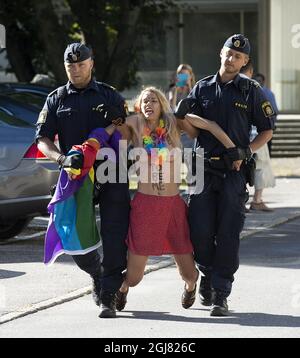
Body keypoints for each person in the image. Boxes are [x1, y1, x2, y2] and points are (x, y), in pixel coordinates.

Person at [111, 86, 238, 312]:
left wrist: (232, 149)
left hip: (173, 207)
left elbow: (205, 128)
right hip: (145, 207)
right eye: (145, 101)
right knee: (133, 277)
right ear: (139, 106)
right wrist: (115, 117)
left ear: (162, 104)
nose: (149, 104)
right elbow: (113, 129)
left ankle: (191, 287)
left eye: (154, 100)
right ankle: (122, 289)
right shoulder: (135, 124)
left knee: (189, 273)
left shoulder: (172, 124)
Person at [176, 34, 276, 316]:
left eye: (238, 57)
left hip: (233, 172)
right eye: (228, 53)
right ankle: (206, 273)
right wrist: (187, 120)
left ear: (245, 62)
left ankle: (221, 292)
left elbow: (266, 130)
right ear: (221, 54)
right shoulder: (202, 88)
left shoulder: (251, 90)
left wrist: (246, 152)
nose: (231, 59)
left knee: (228, 233)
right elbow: (191, 130)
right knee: (200, 233)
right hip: (202, 170)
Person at [35, 42, 130, 319]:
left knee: (114, 235)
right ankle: (97, 272)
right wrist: (61, 159)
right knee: (72, 236)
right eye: (70, 65)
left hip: (110, 172)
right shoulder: (56, 99)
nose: (76, 69)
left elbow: (128, 131)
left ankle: (108, 295)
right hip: (74, 174)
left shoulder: (110, 96)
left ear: (91, 63)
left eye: (81, 64)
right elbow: (42, 140)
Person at [240, 61, 276, 212]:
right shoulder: (254, 88)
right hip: (256, 135)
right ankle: (257, 200)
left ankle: (240, 201)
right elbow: (270, 112)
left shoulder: (226, 85)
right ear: (251, 71)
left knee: (239, 166)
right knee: (260, 167)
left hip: (236, 136)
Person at [168, 64, 196, 149]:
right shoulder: (172, 90)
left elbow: (195, 106)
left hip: (190, 122)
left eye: (186, 75)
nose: (183, 78)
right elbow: (171, 108)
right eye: (181, 75)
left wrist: (190, 87)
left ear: (190, 76)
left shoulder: (195, 89)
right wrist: (175, 89)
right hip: (177, 121)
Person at [254, 72, 279, 155]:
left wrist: (272, 124)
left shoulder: (268, 94)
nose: (257, 82)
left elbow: (274, 111)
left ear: (263, 81)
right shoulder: (253, 92)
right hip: (255, 128)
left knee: (267, 151)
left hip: (267, 126)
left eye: (259, 80)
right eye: (255, 80)